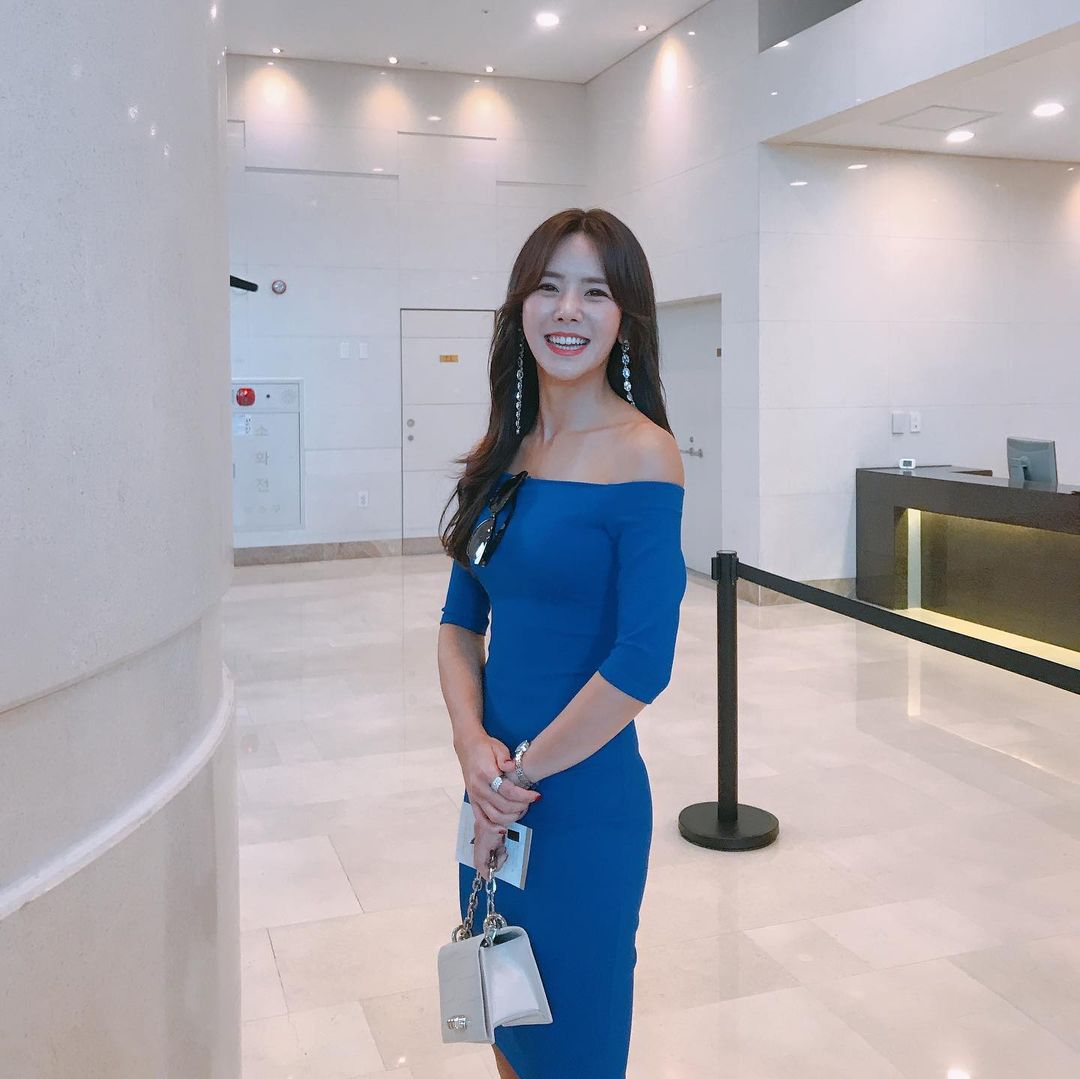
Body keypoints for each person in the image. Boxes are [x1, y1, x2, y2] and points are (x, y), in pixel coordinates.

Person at [436, 208, 687, 1079]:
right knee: (505, 1020)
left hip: (579, 804)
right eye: (548, 287)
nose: (568, 310)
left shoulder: (645, 454)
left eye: (594, 292)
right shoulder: (502, 455)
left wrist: (521, 773)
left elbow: (643, 659)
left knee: (575, 1044)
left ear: (625, 317)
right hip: (491, 796)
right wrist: (472, 747)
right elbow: (459, 621)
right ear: (520, 307)